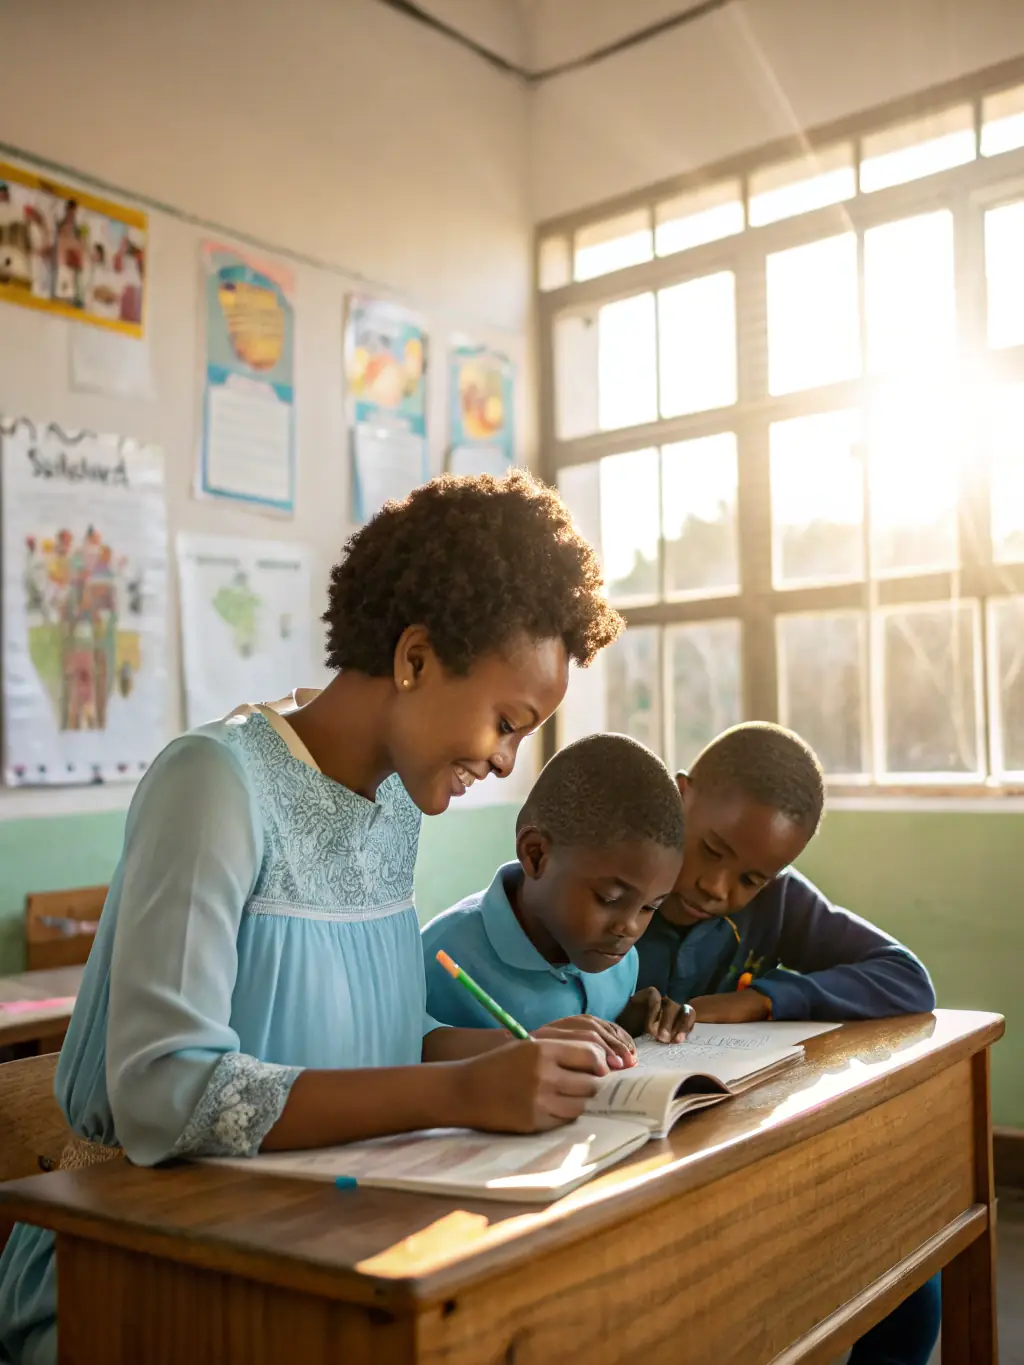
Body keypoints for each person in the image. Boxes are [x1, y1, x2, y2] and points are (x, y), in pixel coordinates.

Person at [0, 471, 626, 1365]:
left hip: (305, 1240)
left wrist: (510, 1055)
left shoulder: (396, 804)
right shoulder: (213, 781)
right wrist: (460, 1091)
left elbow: (371, 1043)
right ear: (415, 658)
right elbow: (164, 1092)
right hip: (132, 1268)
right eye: (506, 722)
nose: (505, 762)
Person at [635, 721, 939, 1365]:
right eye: (712, 850)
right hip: (637, 1159)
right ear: (680, 796)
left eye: (750, 878)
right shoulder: (607, 875)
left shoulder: (775, 904)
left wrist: (766, 999)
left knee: (911, 1272)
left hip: (742, 1143)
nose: (719, 889)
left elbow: (906, 977)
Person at [423, 732, 693, 1053]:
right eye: (608, 899)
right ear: (536, 855)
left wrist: (629, 1025)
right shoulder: (438, 960)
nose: (629, 927)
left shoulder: (620, 963)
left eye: (649, 908)